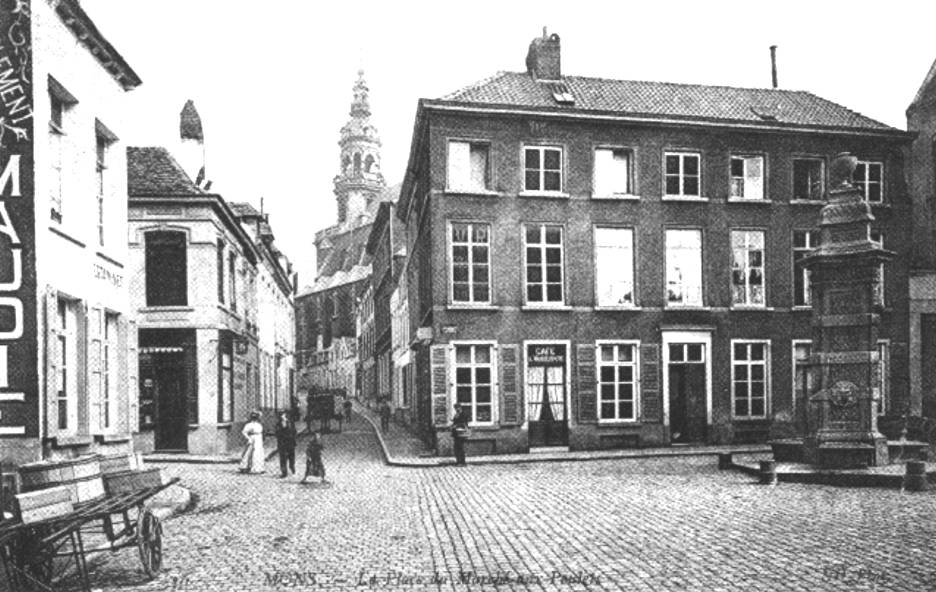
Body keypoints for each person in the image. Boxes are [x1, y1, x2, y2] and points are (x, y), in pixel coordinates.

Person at [275, 411, 297, 478]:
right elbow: (277, 433)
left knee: (291, 457)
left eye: (284, 415)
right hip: (282, 443)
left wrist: (292, 438)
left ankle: (292, 467)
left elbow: (294, 432)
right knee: (283, 458)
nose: (282, 417)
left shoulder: (290, 423)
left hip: (290, 443)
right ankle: (284, 472)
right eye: (281, 415)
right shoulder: (278, 424)